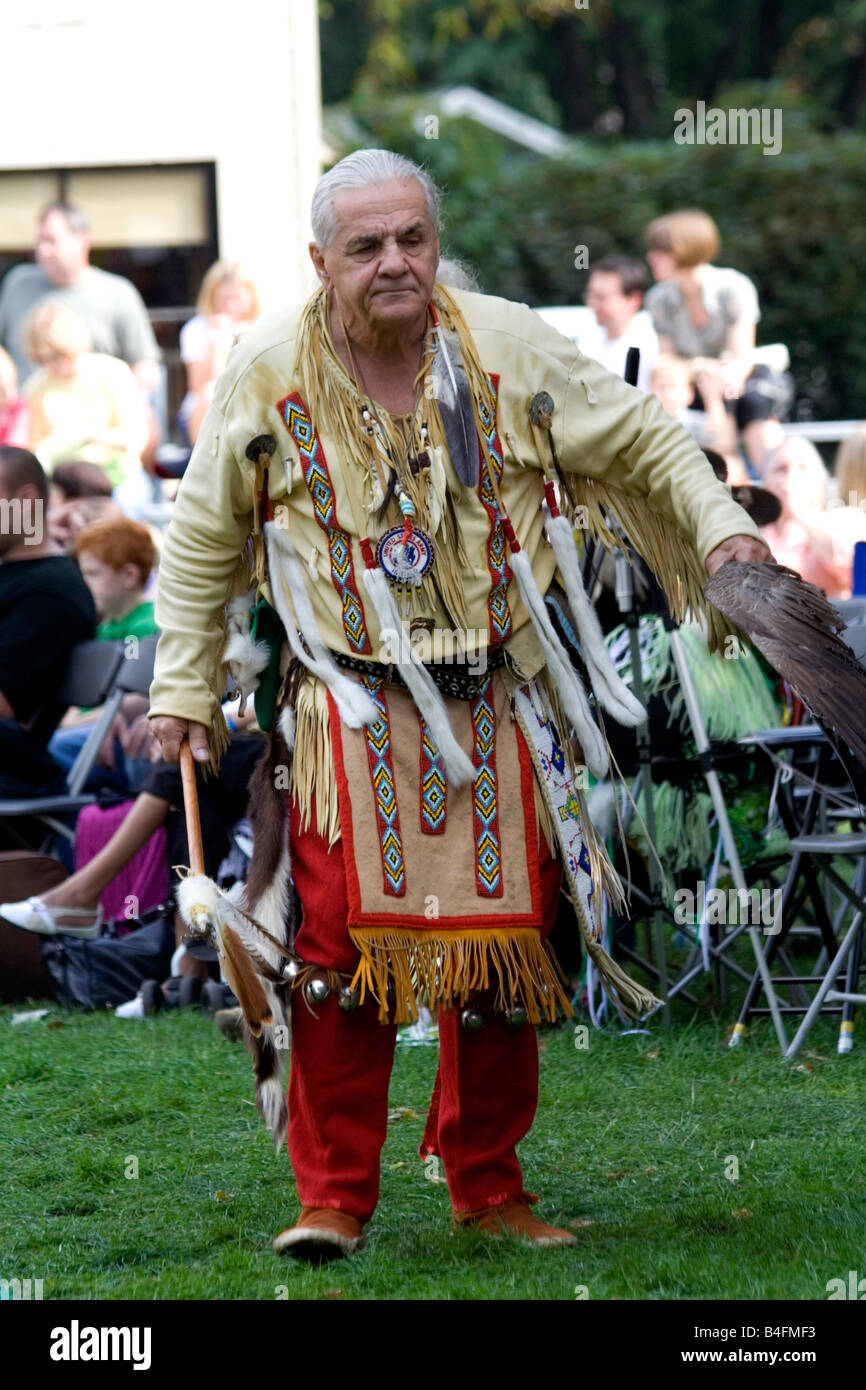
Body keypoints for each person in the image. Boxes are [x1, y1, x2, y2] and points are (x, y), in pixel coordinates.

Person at [147, 149, 773, 1262]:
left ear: (434, 242)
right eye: (365, 246)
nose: (395, 263)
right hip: (348, 711)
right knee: (336, 963)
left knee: (504, 957)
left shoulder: (507, 345)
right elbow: (202, 536)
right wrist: (181, 690)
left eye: (412, 240)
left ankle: (485, 1183)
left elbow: (638, 435)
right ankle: (333, 1194)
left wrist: (721, 530)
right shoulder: (264, 369)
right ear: (318, 262)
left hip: (497, 702)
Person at [0, 446, 96, 805]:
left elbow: (6, 705)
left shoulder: (50, 593)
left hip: (15, 775)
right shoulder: (16, 574)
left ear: (25, 501)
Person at [47, 516, 160, 791]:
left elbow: (141, 696)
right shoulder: (104, 626)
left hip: (119, 735)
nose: (83, 582)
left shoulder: (146, 625)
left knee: (51, 750)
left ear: (129, 576)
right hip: (90, 728)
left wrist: (83, 720)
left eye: (92, 574)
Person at [0, 202, 160, 393]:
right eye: (40, 241)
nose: (42, 250)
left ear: (82, 241)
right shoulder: (18, 285)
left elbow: (145, 367)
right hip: (26, 416)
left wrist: (125, 408)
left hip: (94, 416)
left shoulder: (118, 294)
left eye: (51, 240)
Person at [21, 301, 150, 518]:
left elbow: (136, 437)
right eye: (40, 359)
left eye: (52, 357)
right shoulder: (35, 388)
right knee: (26, 513)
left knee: (126, 507)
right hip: (61, 483)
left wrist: (91, 436)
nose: (48, 366)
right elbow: (33, 452)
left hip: (114, 476)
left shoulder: (113, 372)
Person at [643, 209, 760, 398]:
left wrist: (726, 379)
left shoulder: (734, 287)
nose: (650, 257)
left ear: (682, 250)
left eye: (659, 250)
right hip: (686, 385)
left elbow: (741, 359)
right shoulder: (658, 299)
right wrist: (701, 369)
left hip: (735, 380)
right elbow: (668, 362)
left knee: (753, 403)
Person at [761, 437, 866, 597]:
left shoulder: (846, 519)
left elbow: (849, 569)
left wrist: (800, 512)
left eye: (803, 468)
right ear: (765, 484)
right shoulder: (755, 532)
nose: (792, 476)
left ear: (822, 479)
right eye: (781, 469)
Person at [179, 260, 261, 445]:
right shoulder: (197, 329)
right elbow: (198, 385)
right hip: (205, 410)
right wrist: (215, 342)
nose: (230, 306)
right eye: (223, 299)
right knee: (209, 393)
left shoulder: (263, 327)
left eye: (237, 298)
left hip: (251, 403)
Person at [579, 256, 658, 392]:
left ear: (633, 300)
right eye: (591, 295)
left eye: (601, 297)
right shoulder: (587, 340)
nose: (592, 303)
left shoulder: (653, 348)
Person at [0, 346, 30, 447]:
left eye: (12, 385)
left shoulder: (18, 407)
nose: (9, 395)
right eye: (1, 392)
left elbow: (15, 444)